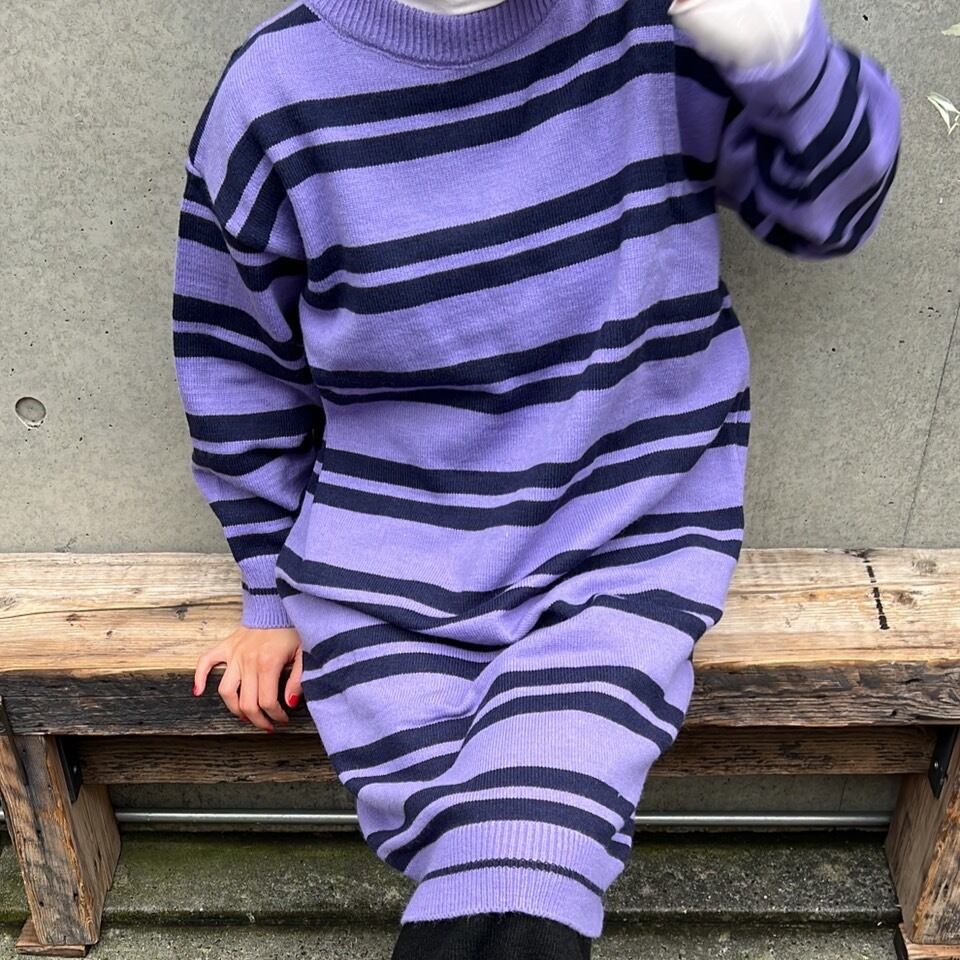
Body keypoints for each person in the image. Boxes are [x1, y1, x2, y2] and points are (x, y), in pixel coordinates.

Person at [172, 0, 902, 954]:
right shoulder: (271, 94)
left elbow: (833, 207)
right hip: (383, 562)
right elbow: (236, 367)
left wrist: (784, 54)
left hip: (620, 535)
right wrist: (269, 591)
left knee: (529, 856)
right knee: (471, 853)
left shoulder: (645, 28)